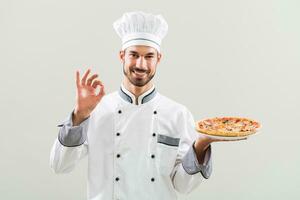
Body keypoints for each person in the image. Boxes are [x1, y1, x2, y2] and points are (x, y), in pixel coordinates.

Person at [50, 11, 240, 200]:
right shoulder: (97, 110)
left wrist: (201, 144)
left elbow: (183, 185)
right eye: (134, 54)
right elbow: (60, 165)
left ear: (159, 58)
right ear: (122, 55)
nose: (141, 64)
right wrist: (79, 116)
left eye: (149, 56)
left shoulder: (177, 114)